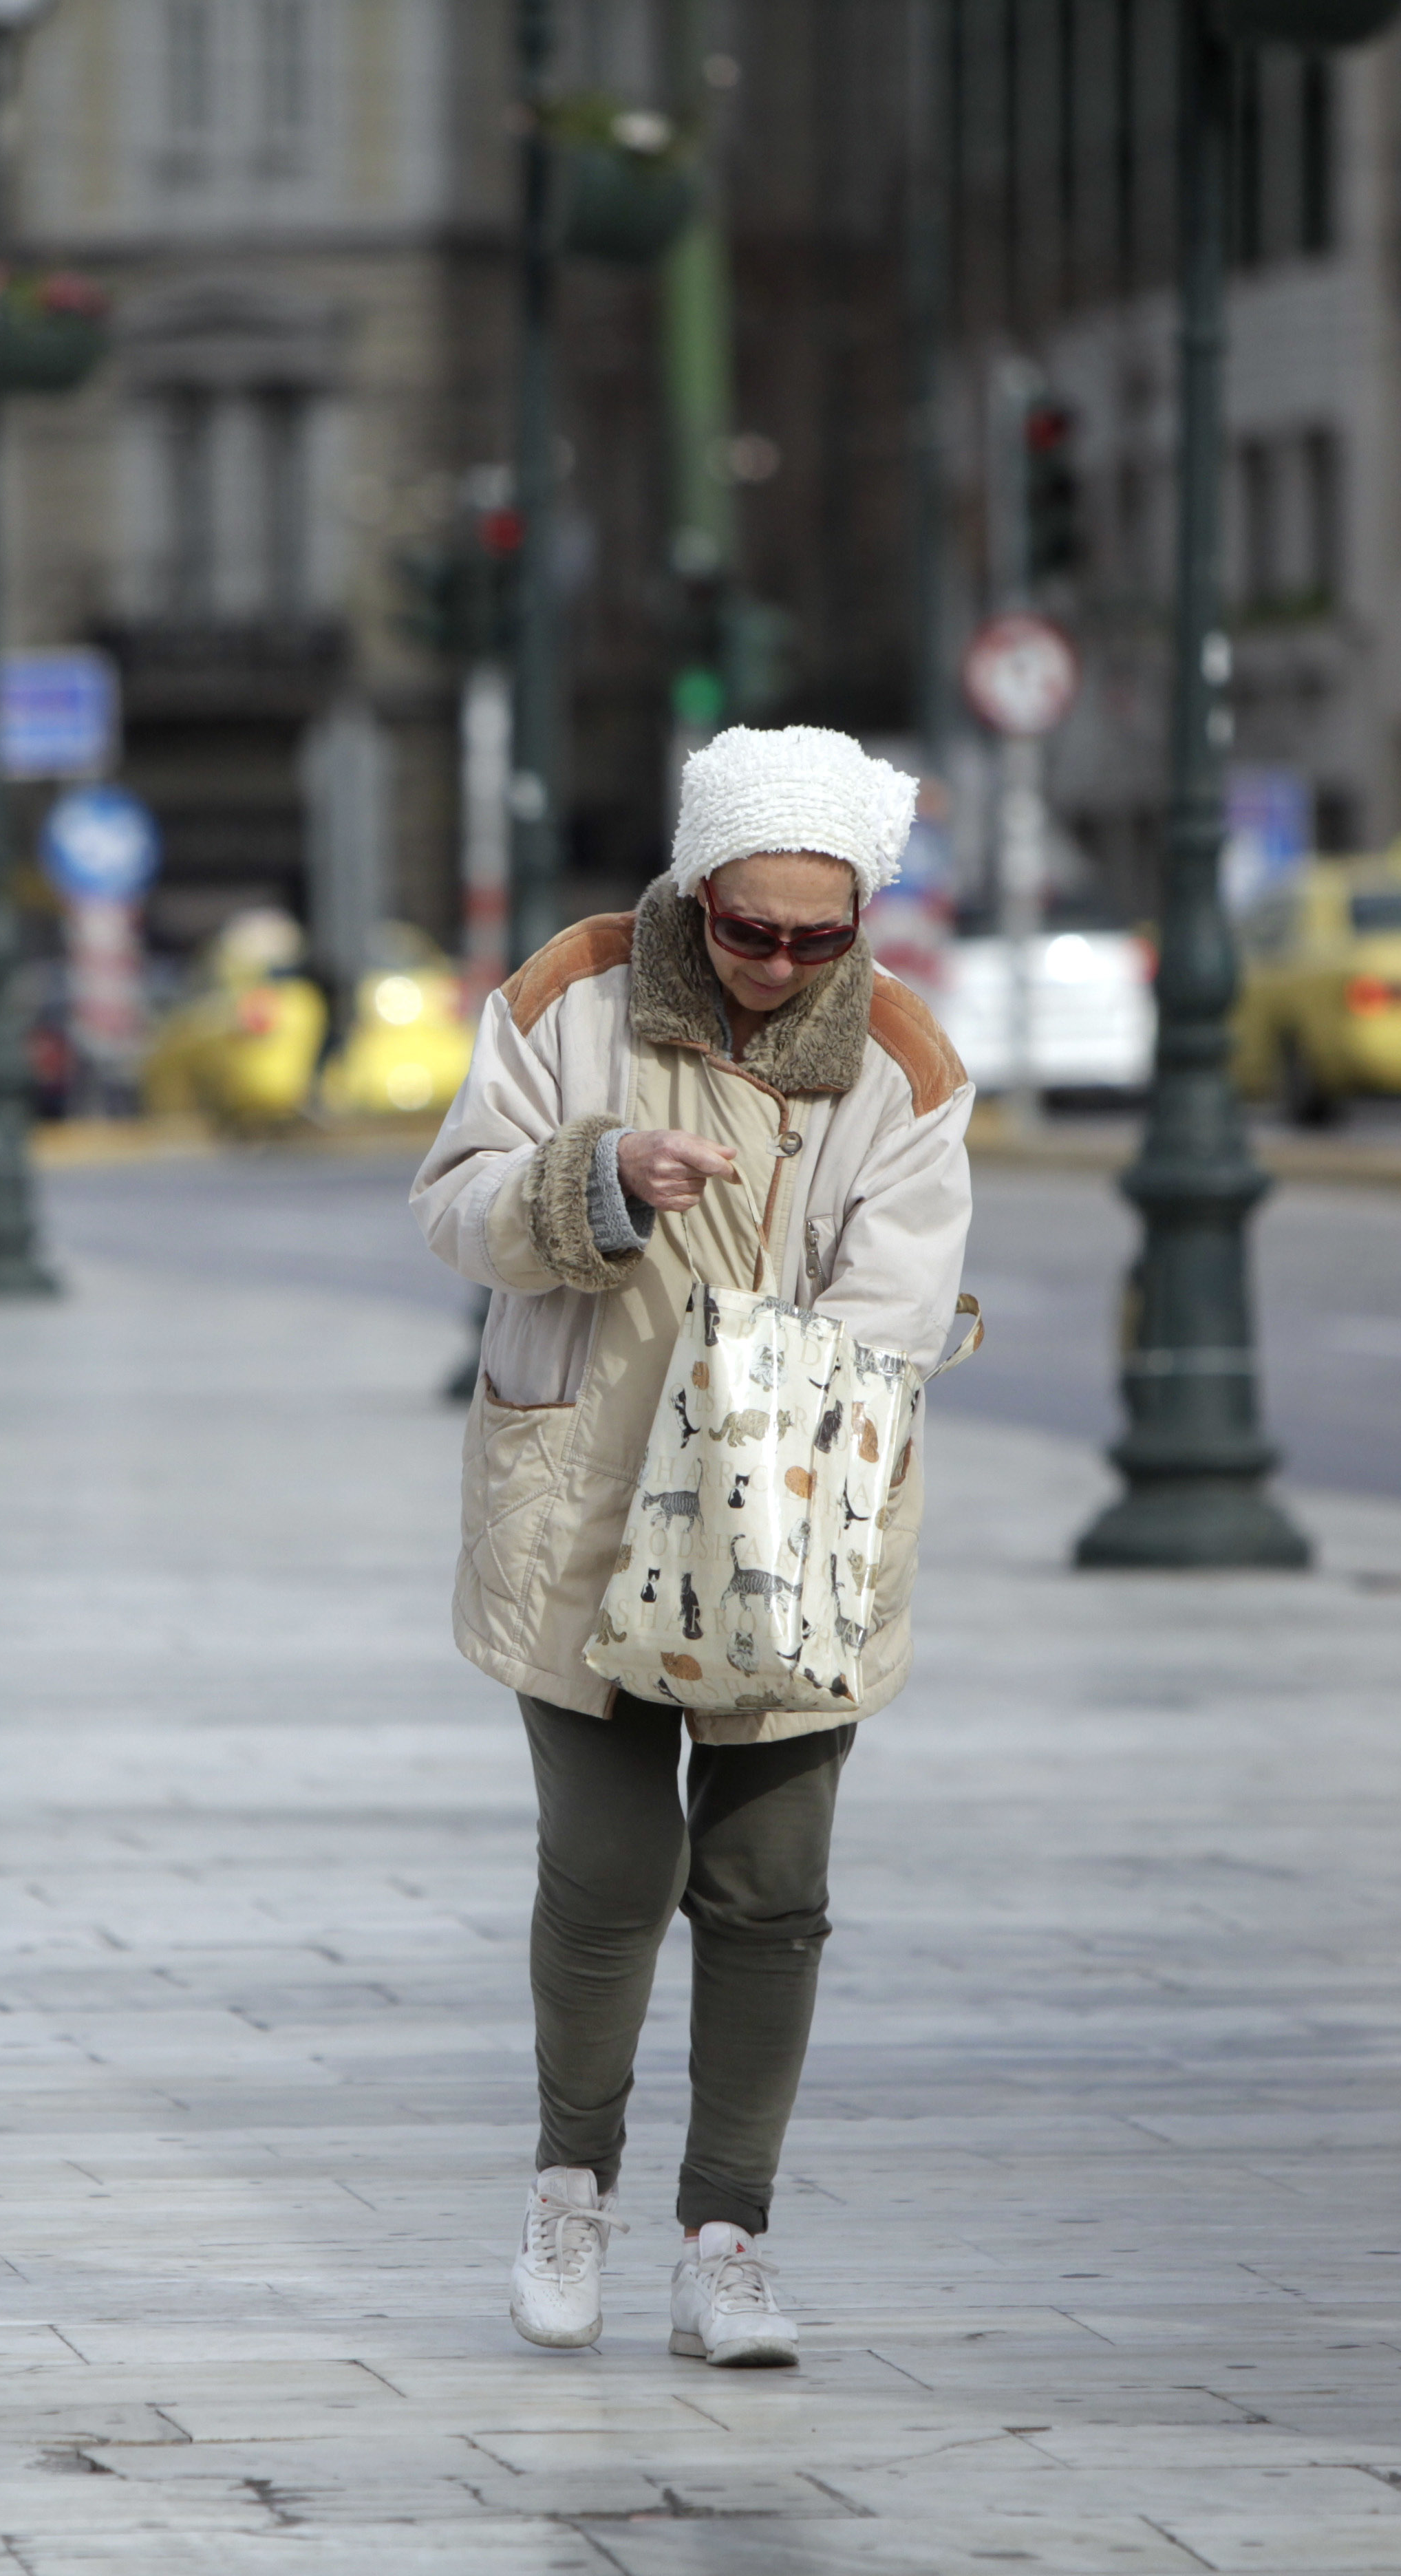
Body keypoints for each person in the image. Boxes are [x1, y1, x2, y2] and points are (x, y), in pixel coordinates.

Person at [413, 724, 976, 2368]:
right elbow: (450, 1202)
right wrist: (596, 1177)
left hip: (796, 1518)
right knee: (605, 1872)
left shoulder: (904, 1059)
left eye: (822, 933)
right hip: (580, 1504)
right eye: (750, 928)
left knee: (769, 1885)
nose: (783, 961)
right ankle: (565, 2188)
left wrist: (781, 1387)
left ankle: (727, 2231)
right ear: (696, 887)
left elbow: (901, 1296)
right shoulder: (573, 992)